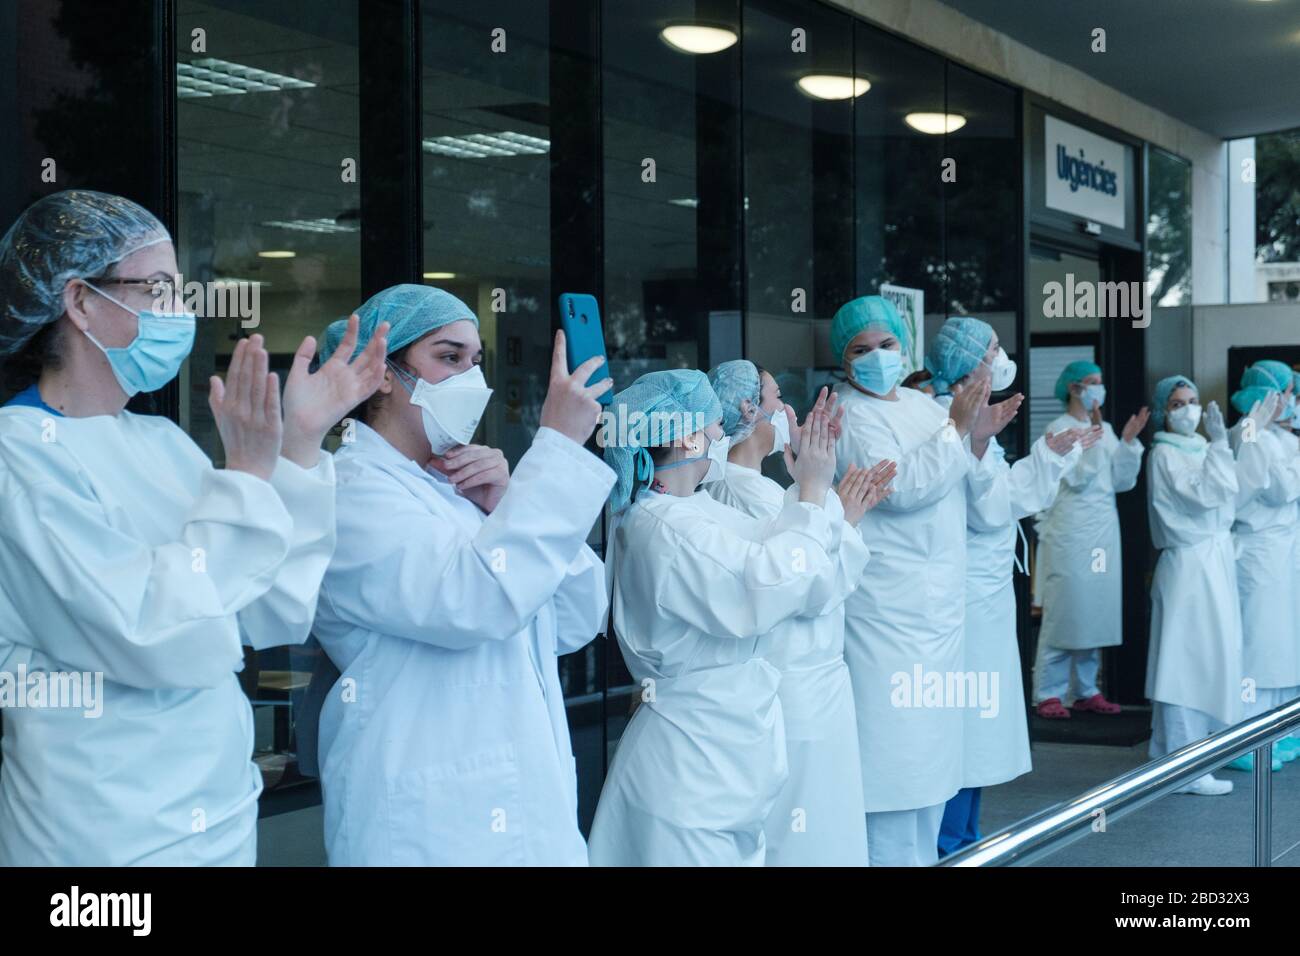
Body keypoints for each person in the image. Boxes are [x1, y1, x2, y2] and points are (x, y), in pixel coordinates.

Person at [0, 189, 383, 864]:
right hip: (102, 839)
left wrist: (295, 446)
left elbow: (268, 612)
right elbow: (146, 629)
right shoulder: (19, 454)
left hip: (219, 816)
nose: (177, 311)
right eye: (156, 288)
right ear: (80, 300)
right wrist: (242, 476)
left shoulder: (162, 442)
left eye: (181, 291)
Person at [309, 284, 614, 866]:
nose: (470, 378)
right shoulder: (350, 491)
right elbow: (474, 602)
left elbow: (576, 617)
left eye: (475, 361)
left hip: (524, 806)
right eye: (448, 358)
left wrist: (509, 500)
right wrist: (556, 447)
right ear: (381, 373)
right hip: (428, 824)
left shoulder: (457, 490)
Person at [588, 370, 855, 866]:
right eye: (713, 424)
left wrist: (808, 486)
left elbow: (790, 553)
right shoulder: (666, 527)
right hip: (690, 772)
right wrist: (814, 491)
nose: (720, 435)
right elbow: (774, 582)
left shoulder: (692, 512)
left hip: (723, 762)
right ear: (684, 434)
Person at [830, 295, 1012, 867]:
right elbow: (900, 488)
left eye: (886, 345)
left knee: (935, 771)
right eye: (861, 350)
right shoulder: (849, 416)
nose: (877, 357)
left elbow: (978, 502)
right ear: (843, 362)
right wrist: (957, 430)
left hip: (941, 619)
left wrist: (974, 439)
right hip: (884, 616)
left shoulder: (921, 406)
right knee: (892, 773)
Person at [704, 359, 894, 866]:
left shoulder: (756, 487)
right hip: (796, 684)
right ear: (749, 410)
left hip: (805, 682)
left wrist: (822, 496)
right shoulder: (742, 492)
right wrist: (843, 516)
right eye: (774, 395)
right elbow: (811, 588)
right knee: (811, 832)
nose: (785, 407)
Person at [923, 317, 1095, 856]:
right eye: (992, 348)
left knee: (978, 731)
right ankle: (950, 842)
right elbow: (989, 505)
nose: (1001, 355)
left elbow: (998, 493)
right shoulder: (944, 422)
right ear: (969, 363)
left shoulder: (971, 423)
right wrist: (985, 441)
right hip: (965, 600)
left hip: (988, 596)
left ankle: (964, 838)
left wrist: (1049, 454)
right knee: (964, 728)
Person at [1144, 375, 1269, 795]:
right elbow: (1203, 494)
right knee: (1184, 666)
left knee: (1210, 658)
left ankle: (1181, 756)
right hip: (1189, 564)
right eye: (1178, 403)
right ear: (1164, 410)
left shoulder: (1196, 448)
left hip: (1213, 561)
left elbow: (1235, 491)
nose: (1189, 409)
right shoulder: (1164, 453)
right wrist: (1220, 445)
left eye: (1193, 400)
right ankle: (1183, 767)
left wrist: (1241, 437)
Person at [1032, 361, 1148, 719]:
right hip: (1070, 530)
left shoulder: (1106, 428)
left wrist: (1126, 442)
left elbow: (1121, 481)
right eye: (1091, 382)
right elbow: (1079, 476)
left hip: (1103, 531)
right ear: (1073, 388)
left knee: (1095, 609)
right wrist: (1096, 437)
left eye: (1101, 381)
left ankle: (1086, 690)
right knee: (1066, 608)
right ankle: (1048, 692)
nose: (1098, 389)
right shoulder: (1058, 429)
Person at [1226, 362, 1300, 770]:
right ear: (1270, 395)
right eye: (1288, 392)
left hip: (1281, 556)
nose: (1292, 401)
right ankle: (1246, 738)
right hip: (1257, 554)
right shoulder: (1249, 433)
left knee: (1282, 649)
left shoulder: (1277, 436)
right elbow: (1279, 489)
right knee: (1258, 649)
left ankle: (1280, 733)